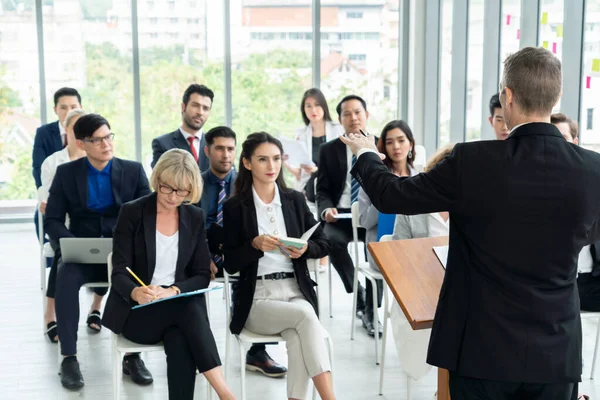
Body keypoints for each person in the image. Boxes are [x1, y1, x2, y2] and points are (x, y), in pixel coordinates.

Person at [341, 46, 596, 399]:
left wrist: (366, 152)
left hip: (480, 348)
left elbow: (392, 195)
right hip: (555, 352)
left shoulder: (471, 161)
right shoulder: (593, 170)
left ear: (507, 96)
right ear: (556, 97)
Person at [103, 149, 235, 400]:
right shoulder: (132, 212)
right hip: (137, 313)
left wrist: (172, 290)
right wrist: (135, 291)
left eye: (182, 191)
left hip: (177, 311)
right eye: (167, 188)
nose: (174, 197)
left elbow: (200, 274)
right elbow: (119, 271)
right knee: (187, 310)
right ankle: (225, 393)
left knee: (179, 339)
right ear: (157, 180)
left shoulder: (193, 216)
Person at [223, 132, 334, 400]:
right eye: (263, 160)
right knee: (307, 318)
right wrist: (254, 245)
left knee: (298, 338)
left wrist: (306, 248)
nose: (272, 166)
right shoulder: (235, 207)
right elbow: (230, 264)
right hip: (258, 298)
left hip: (295, 289)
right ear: (247, 163)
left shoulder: (294, 200)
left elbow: (324, 243)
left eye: (276, 159)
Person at [45, 113, 153, 390]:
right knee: (65, 278)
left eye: (108, 136)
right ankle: (69, 358)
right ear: (81, 144)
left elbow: (147, 216)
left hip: (123, 254)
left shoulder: (133, 171)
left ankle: (132, 355)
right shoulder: (67, 174)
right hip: (82, 251)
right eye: (97, 140)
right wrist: (68, 244)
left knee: (141, 276)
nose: (106, 144)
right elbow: (53, 220)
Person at [199, 126, 288, 378]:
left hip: (240, 250)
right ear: (207, 151)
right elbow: (191, 226)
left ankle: (257, 352)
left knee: (250, 268)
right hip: (204, 250)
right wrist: (203, 257)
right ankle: (199, 349)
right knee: (192, 277)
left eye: (230, 149)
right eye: (219, 148)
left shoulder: (249, 183)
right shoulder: (197, 183)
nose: (225, 154)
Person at [389, 143, 454, 387]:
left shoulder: (474, 206)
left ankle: (450, 388)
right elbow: (399, 250)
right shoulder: (412, 207)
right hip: (420, 287)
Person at [38, 109, 100, 343]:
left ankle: (96, 306)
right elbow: (48, 202)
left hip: (87, 227)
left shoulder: (98, 162)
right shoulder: (54, 163)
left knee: (104, 244)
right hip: (63, 225)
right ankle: (50, 314)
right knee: (65, 252)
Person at [316, 94, 377, 318]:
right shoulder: (328, 150)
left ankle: (371, 310)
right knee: (330, 240)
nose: (353, 117)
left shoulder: (379, 145)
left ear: (366, 115)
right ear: (340, 119)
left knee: (378, 247)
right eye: (347, 114)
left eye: (357, 112)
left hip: (370, 214)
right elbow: (321, 189)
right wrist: (326, 209)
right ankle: (358, 292)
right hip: (340, 215)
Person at [357, 120, 417, 336]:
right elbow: (364, 220)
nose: (396, 147)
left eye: (401, 140)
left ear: (411, 144)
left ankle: (420, 315)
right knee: (386, 257)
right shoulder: (373, 177)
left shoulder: (421, 175)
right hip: (382, 248)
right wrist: (382, 194)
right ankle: (371, 315)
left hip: (413, 246)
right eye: (390, 142)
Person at [285, 88, 344, 193]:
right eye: (308, 106)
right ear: (304, 109)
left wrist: (316, 171)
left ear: (324, 106)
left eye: (317, 105)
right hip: (309, 190)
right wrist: (283, 161)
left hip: (334, 189)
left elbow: (342, 166)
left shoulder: (338, 130)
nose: (313, 110)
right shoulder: (300, 135)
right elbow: (299, 174)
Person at [151, 84, 213, 171]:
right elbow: (160, 179)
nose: (200, 112)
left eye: (206, 108)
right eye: (195, 105)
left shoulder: (215, 144)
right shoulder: (162, 144)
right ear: (183, 107)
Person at [32, 87, 82, 188]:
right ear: (55, 109)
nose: (69, 112)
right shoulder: (43, 133)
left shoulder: (89, 133)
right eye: (63, 107)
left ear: (80, 108)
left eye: (73, 107)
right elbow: (38, 168)